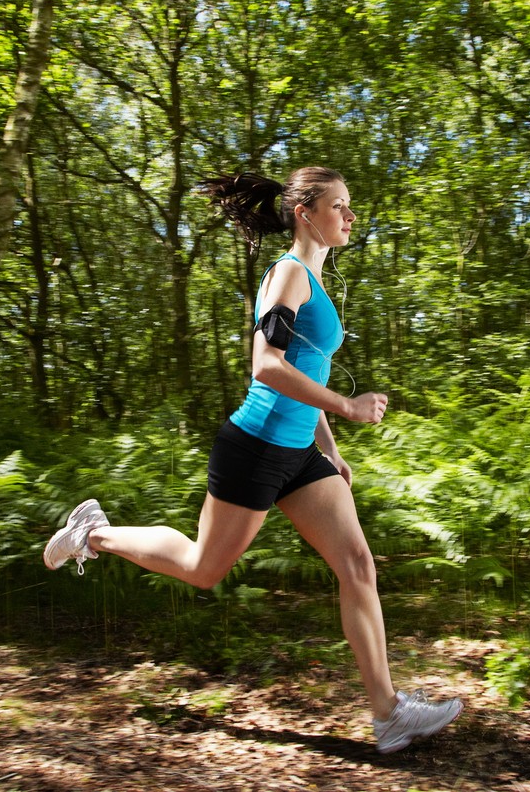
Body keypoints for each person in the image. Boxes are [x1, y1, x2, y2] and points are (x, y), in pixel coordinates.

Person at [43, 167, 461, 754]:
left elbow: (305, 370)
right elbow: (266, 366)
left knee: (358, 566)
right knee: (203, 568)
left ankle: (388, 713)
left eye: (349, 206)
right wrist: (346, 406)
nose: (349, 217)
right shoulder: (288, 274)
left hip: (300, 452)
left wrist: (329, 449)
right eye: (339, 206)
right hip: (256, 446)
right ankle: (93, 534)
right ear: (305, 213)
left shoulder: (314, 279)